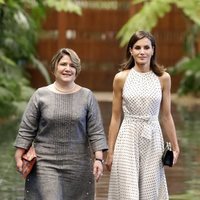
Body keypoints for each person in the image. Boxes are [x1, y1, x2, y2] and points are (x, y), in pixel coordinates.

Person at [14, 48, 108, 200]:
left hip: (78, 165)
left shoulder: (87, 96)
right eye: (63, 64)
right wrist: (19, 156)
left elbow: (96, 131)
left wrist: (98, 159)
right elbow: (26, 129)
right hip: (46, 163)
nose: (67, 68)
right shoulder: (40, 95)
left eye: (72, 65)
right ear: (54, 67)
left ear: (77, 70)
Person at [105, 31, 180, 199]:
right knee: (128, 192)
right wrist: (110, 151)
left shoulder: (163, 78)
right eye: (137, 47)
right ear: (131, 50)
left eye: (146, 47)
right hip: (127, 137)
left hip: (153, 138)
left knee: (150, 192)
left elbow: (166, 116)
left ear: (153, 50)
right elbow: (115, 117)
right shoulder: (121, 78)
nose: (142, 52)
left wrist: (175, 147)